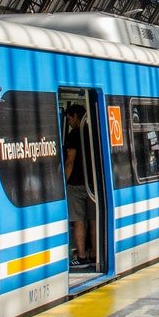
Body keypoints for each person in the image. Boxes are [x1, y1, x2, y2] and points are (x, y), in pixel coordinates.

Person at [64, 103, 96, 266]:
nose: (69, 123)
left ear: (76, 116)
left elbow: (70, 160)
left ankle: (82, 256)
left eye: (69, 118)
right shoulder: (95, 132)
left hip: (76, 184)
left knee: (79, 221)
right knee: (93, 220)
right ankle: (95, 255)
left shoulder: (74, 134)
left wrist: (64, 182)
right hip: (95, 185)